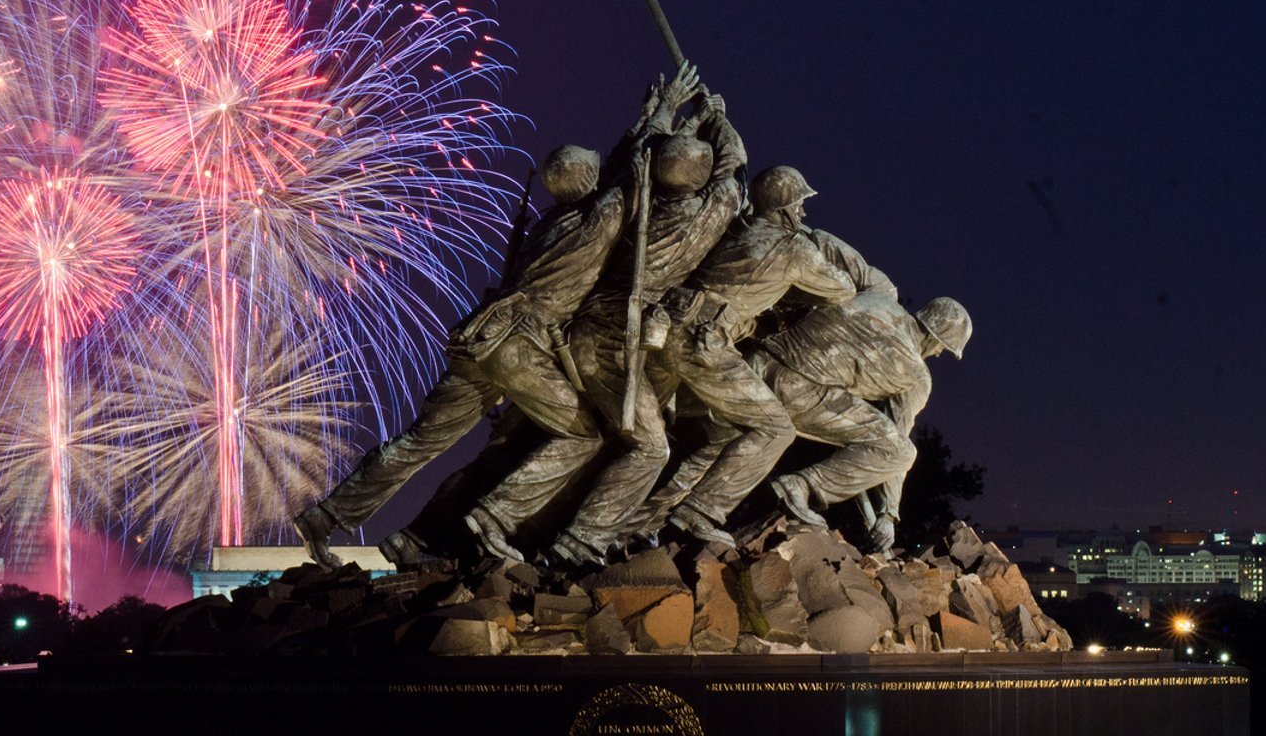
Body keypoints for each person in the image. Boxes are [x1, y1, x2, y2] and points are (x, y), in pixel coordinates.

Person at [293, 66, 700, 567]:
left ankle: (327, 516)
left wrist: (647, 116)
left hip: (479, 336)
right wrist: (661, 113)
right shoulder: (599, 221)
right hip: (517, 344)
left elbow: (617, 170)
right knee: (584, 434)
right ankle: (493, 517)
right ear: (590, 182)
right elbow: (633, 172)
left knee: (419, 442)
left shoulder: (552, 222)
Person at [515, 88, 747, 565]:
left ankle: (550, 528)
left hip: (580, 333)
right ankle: (580, 540)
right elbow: (736, 166)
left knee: (609, 433)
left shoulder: (633, 204)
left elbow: (634, 162)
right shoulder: (709, 213)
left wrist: (673, 121)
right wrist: (717, 119)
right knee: (650, 447)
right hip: (620, 341)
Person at [636, 165, 872, 547]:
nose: (804, 213)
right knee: (776, 429)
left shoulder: (736, 230)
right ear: (783, 209)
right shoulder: (794, 247)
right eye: (800, 205)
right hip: (702, 341)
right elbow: (842, 289)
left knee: (710, 433)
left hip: (665, 330)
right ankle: (699, 513)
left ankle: (640, 522)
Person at [755, 293, 972, 552]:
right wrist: (888, 514)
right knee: (900, 452)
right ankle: (800, 486)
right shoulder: (914, 372)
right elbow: (896, 438)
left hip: (759, 362)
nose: (937, 355)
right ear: (934, 337)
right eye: (942, 349)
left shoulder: (877, 302)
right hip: (797, 389)